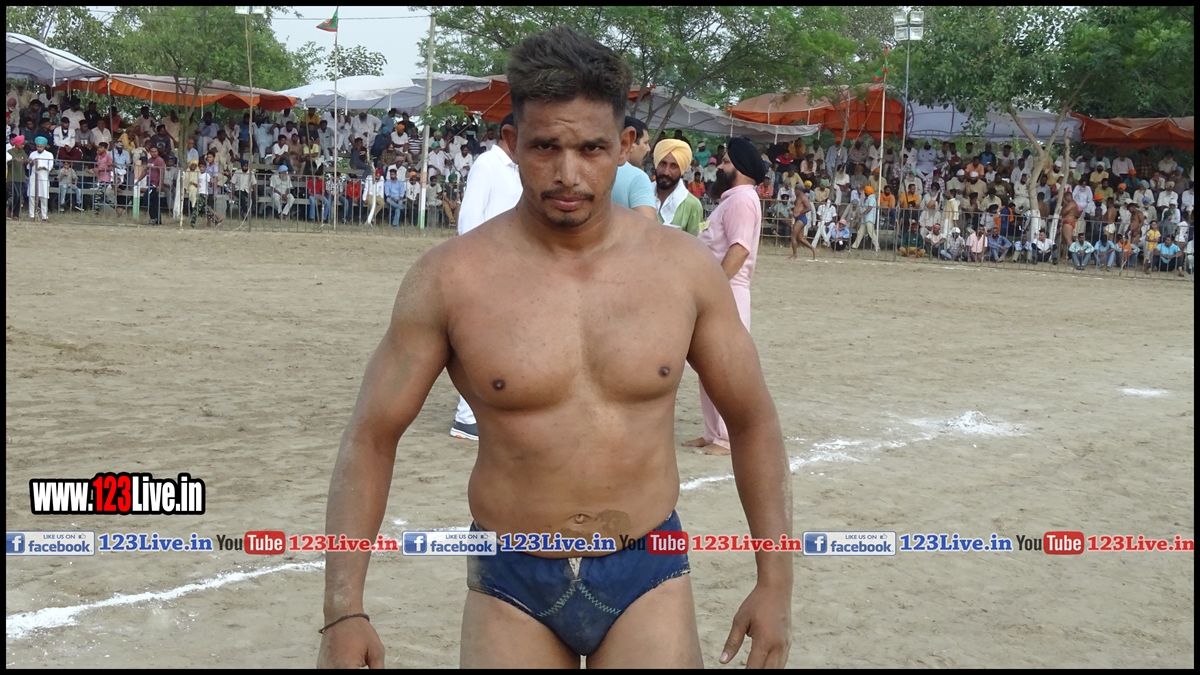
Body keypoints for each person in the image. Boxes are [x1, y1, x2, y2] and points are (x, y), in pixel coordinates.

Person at [317, 28, 791, 670]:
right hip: (511, 577)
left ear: (626, 145)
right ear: (513, 143)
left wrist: (775, 583)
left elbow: (753, 420)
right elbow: (372, 436)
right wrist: (343, 610)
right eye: (546, 147)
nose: (568, 174)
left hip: (646, 567)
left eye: (592, 148)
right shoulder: (451, 279)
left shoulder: (683, 272)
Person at [675, 135, 772, 461]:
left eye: (727, 162)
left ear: (741, 168)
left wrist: (714, 287)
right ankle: (713, 433)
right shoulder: (734, 199)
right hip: (720, 290)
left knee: (723, 368)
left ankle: (727, 438)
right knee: (708, 365)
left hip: (727, 292)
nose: (721, 166)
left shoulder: (743, 200)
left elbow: (739, 249)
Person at [448, 112, 523, 441]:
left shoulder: (516, 170)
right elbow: (469, 218)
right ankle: (466, 419)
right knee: (481, 346)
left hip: (510, 269)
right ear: (510, 135)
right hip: (486, 268)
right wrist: (478, 266)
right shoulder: (487, 165)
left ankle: (486, 412)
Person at [652, 138, 703, 235]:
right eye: (662, 164)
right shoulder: (641, 195)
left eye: (673, 166)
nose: (666, 172)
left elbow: (695, 242)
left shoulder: (693, 205)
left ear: (681, 170)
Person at [610, 116, 656, 220]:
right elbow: (647, 226)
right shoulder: (638, 178)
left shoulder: (597, 170)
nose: (648, 149)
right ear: (629, 142)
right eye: (645, 142)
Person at [787, 184, 817, 260]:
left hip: (801, 218)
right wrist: (792, 209)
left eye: (795, 190)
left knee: (793, 236)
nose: (794, 192)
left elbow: (809, 208)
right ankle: (813, 249)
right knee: (800, 238)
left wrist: (799, 213)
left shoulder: (804, 197)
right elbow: (798, 207)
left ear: (799, 190)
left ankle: (794, 255)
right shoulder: (798, 197)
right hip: (798, 218)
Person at [27, 136, 54, 221]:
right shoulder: (32, 154)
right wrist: (31, 163)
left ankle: (44, 216)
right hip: (33, 177)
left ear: (44, 146)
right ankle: (32, 215)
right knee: (32, 196)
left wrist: (42, 167)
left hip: (43, 177)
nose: (39, 148)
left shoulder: (49, 155)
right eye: (37, 146)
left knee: (44, 198)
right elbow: (28, 166)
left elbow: (50, 166)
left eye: (40, 147)